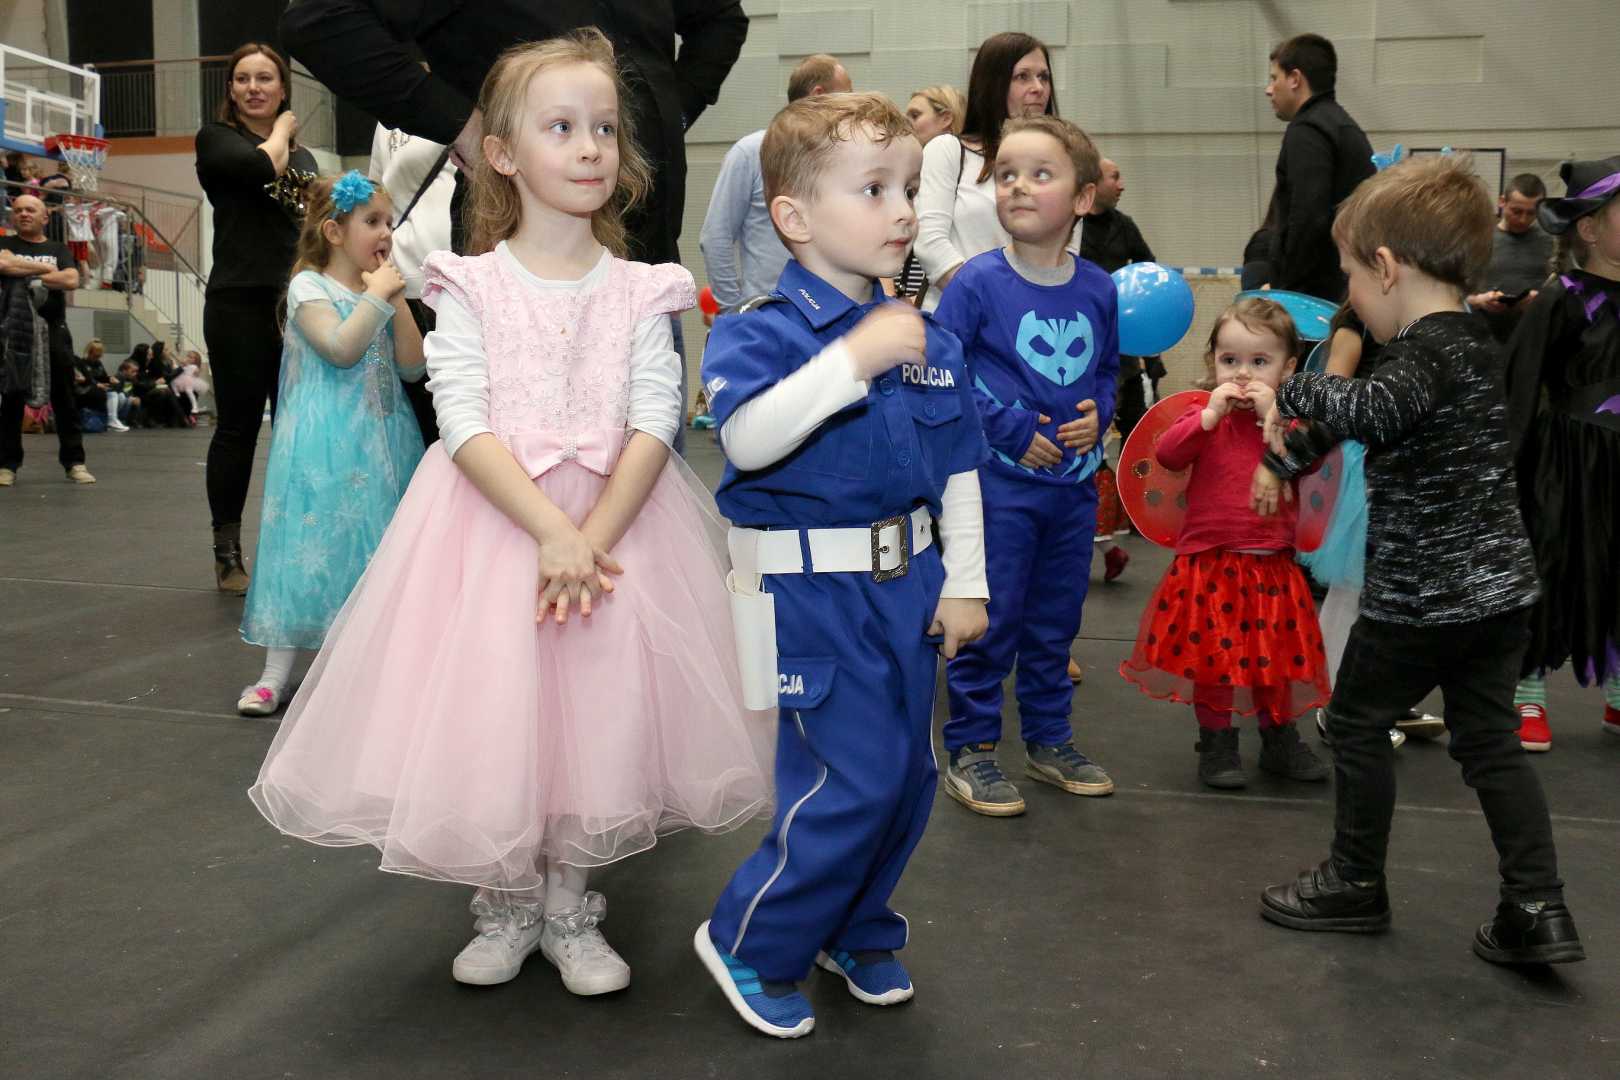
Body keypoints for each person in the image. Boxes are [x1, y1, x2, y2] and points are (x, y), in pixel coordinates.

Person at [249, 31, 770, 997]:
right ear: (501, 152)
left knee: (597, 717)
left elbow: (654, 418)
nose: (589, 146)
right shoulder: (469, 282)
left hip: (616, 534)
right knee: (496, 713)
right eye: (560, 127)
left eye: (604, 128)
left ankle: (569, 902)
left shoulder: (642, 288)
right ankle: (506, 900)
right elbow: (462, 417)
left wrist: (589, 540)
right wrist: (550, 532)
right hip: (497, 529)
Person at [695, 92, 989, 1038]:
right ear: (793, 216)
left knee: (906, 777)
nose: (903, 210)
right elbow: (747, 437)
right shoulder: (761, 329)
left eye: (908, 187)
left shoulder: (928, 337)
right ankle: (752, 940)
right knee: (848, 779)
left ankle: (853, 925)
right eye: (873, 189)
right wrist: (851, 361)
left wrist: (967, 580)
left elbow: (960, 468)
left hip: (909, 588)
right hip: (811, 595)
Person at [1258, 155, 1583, 967]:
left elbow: (1372, 408)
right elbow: (1382, 419)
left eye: (1349, 277)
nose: (1351, 295)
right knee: (1491, 742)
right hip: (1499, 595)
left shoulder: (1423, 352)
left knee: (1355, 723)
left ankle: (1354, 881)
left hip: (1421, 600)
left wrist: (1292, 387)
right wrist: (1289, 453)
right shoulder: (1474, 339)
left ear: (1385, 268)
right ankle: (1537, 907)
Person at [931, 116, 1117, 816]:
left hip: (1072, 491)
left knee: (1055, 621)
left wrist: (1100, 413)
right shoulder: (976, 284)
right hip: (998, 490)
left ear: (1083, 199)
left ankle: (1049, 739)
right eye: (1006, 173)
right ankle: (972, 748)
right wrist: (1009, 428)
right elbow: (943, 373)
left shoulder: (1098, 288)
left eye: (1041, 174)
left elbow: (1104, 370)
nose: (1017, 186)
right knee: (994, 617)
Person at [1119, 298, 1331, 788]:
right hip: (1211, 564)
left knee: (1276, 660)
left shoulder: (1290, 425)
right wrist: (1209, 416)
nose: (1242, 374)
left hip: (1272, 565)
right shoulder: (1202, 414)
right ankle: (1217, 743)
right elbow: (1169, 454)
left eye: (1260, 362)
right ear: (1212, 361)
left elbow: (1312, 461)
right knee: (1213, 659)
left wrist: (1273, 416)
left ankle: (1280, 738)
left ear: (1288, 368)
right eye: (1229, 360)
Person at [236, 171, 427, 716]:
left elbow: (413, 368)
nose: (385, 232)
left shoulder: (380, 291)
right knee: (306, 548)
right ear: (335, 232)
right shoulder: (309, 288)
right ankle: (275, 675)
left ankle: (372, 669)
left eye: (389, 222)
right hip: (321, 445)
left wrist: (396, 299)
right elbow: (341, 348)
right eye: (372, 221)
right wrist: (377, 297)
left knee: (375, 551)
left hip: (384, 441)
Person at [1505, 155, 1620, 748]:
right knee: (1552, 569)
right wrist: (1508, 466)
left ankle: (1618, 692)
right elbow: (1520, 384)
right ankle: (1528, 691)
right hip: (1568, 462)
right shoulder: (1561, 298)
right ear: (1590, 228)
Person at [196, 42, 319, 592]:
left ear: (282, 85)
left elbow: (314, 227)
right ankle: (227, 553)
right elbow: (258, 167)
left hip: (296, 304)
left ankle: (300, 549)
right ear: (230, 88)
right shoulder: (217, 140)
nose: (253, 87)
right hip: (238, 303)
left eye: (264, 78)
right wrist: (284, 129)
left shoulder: (306, 158)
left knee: (298, 430)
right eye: (243, 78)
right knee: (238, 428)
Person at [1291, 304, 1442, 751]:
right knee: (1352, 588)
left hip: (1407, 469)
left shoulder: (1419, 324)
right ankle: (1335, 702)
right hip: (1364, 470)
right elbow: (1331, 397)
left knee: (1397, 596)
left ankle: (1383, 698)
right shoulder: (1356, 325)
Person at [913, 31, 1059, 312]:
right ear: (993, 83)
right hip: (956, 317)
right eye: (1023, 77)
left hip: (1031, 321)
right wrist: (989, 303)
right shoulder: (947, 151)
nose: (1038, 88)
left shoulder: (1061, 164)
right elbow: (930, 242)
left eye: (1044, 77)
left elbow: (1067, 252)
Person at [699, 54, 851, 315]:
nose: (851, 108)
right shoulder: (750, 153)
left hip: (831, 313)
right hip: (768, 314)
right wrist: (736, 311)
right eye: (846, 97)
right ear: (818, 94)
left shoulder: (842, 158)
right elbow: (716, 238)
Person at [1080, 154, 1160, 582]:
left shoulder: (1125, 226)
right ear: (1094, 182)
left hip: (1122, 349)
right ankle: (1101, 535)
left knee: (1133, 433)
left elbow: (1150, 274)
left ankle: (1134, 511)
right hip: (1077, 345)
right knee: (1090, 446)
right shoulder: (1070, 227)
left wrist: (1152, 355)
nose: (1123, 184)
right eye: (1115, 176)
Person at [1264, 33, 1375, 301]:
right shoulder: (1343, 126)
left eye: (1274, 78)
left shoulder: (1308, 130)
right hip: (1347, 287)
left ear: (1295, 79)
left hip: (1315, 297)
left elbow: (1309, 217)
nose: (1269, 89)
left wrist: (1285, 292)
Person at [368, 122, 456, 447]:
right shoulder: (385, 121)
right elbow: (377, 194)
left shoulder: (470, 103)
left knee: (461, 411)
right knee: (415, 413)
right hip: (403, 283)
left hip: (462, 283)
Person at [0, 192, 93, 488]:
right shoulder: (5, 245)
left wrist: (21, 270)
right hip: (15, 333)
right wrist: (45, 270)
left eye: (30, 210)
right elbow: (2, 265)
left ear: (44, 216)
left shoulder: (58, 248)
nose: (24, 214)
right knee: (12, 398)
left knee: (64, 397)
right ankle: (7, 465)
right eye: (18, 210)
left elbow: (71, 280)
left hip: (53, 330)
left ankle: (75, 463)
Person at [895, 84, 965, 300]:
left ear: (946, 118)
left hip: (935, 293)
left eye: (915, 115)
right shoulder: (906, 170)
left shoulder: (953, 158)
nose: (907, 123)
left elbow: (929, 240)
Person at [1468, 173, 1555, 342]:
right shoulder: (1479, 239)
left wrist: (1542, 299)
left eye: (1531, 213)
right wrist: (1479, 301)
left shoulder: (1550, 241)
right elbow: (1455, 292)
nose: (1523, 219)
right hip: (1485, 336)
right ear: (1502, 202)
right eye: (1516, 211)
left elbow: (1565, 290)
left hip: (1533, 336)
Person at [71, 338, 125, 432]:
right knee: (112, 395)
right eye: (96, 356)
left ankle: (111, 420)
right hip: (87, 389)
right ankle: (111, 420)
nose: (97, 358)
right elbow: (87, 379)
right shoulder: (82, 363)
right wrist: (97, 384)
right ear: (89, 352)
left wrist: (109, 379)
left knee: (121, 397)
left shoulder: (98, 363)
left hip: (99, 387)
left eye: (99, 356)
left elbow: (103, 376)